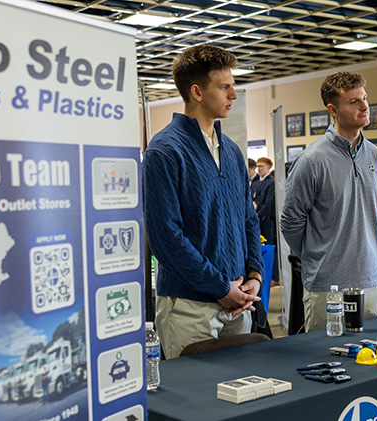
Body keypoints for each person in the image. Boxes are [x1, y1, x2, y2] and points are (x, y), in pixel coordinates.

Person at [142, 45, 264, 359]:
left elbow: (247, 219)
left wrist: (254, 275)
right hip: (189, 308)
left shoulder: (233, 152)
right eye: (224, 87)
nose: (233, 95)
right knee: (196, 404)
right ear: (197, 91)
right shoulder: (164, 151)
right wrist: (220, 288)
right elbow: (166, 238)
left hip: (239, 305)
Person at [281, 71, 377, 333]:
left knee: (369, 360)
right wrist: (316, 253)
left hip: (370, 279)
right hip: (327, 285)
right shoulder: (312, 161)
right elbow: (290, 223)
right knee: (324, 359)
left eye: (364, 98)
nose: (364, 107)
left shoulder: (376, 156)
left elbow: (376, 209)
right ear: (333, 109)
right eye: (353, 102)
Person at [251, 158, 276, 244]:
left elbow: (268, 203)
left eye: (261, 166)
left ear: (268, 167)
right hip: (256, 218)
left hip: (266, 219)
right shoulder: (255, 183)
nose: (259, 168)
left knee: (267, 244)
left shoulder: (271, 182)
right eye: (258, 166)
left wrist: (258, 215)